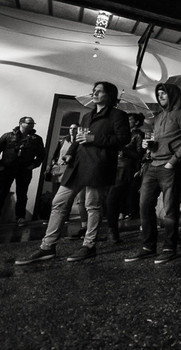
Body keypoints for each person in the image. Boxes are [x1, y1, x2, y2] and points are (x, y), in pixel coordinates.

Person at [15, 82, 130, 264]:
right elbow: (78, 139)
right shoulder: (87, 116)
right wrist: (69, 153)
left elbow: (124, 139)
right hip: (77, 165)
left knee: (92, 206)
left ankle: (89, 245)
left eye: (99, 91)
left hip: (98, 165)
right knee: (59, 202)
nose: (95, 93)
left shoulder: (118, 115)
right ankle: (48, 246)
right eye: (94, 90)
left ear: (110, 95)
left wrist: (94, 138)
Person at [124, 83, 181, 264]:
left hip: (170, 166)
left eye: (164, 93)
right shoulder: (159, 116)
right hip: (153, 164)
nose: (160, 96)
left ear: (173, 94)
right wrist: (150, 146)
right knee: (144, 205)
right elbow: (159, 140)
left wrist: (173, 161)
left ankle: (170, 247)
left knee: (170, 209)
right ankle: (148, 246)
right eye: (159, 94)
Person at [107, 113, 145, 243]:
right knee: (110, 199)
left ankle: (113, 231)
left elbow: (140, 154)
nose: (127, 121)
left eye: (130, 119)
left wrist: (125, 151)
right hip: (112, 166)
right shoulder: (119, 133)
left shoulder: (138, 135)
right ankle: (111, 229)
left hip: (125, 168)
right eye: (126, 119)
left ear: (136, 122)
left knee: (114, 198)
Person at [0, 116, 45, 226]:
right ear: (21, 123)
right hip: (7, 168)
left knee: (22, 194)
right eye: (29, 123)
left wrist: (34, 165)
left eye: (33, 123)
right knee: (1, 192)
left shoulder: (36, 139)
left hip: (24, 170)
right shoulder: (8, 136)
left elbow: (41, 155)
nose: (32, 125)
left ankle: (20, 217)